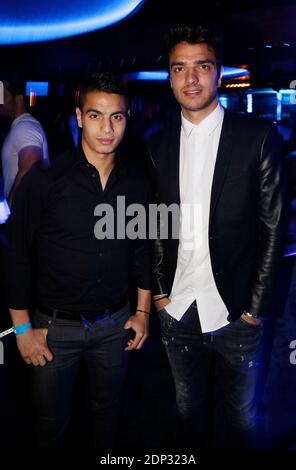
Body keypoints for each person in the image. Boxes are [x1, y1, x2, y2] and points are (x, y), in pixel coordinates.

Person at [147, 24, 285, 449]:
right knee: (188, 415)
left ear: (218, 72)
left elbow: (273, 228)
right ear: (170, 76)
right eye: (179, 68)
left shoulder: (258, 138)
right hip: (178, 307)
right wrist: (158, 293)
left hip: (236, 310)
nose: (190, 79)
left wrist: (255, 308)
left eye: (201, 66)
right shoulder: (156, 144)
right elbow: (153, 223)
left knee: (242, 421)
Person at [6, 72, 151, 449]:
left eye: (116, 117)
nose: (106, 127)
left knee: (108, 418)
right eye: (95, 115)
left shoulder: (136, 182)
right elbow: (16, 253)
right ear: (78, 116)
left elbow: (142, 249)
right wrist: (22, 331)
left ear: (127, 118)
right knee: (50, 427)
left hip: (115, 325)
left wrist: (143, 311)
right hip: (54, 329)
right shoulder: (45, 179)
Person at [0, 80, 49, 206]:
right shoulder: (20, 126)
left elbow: (30, 166)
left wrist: (10, 206)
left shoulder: (25, 125)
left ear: (19, 99)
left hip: (23, 216)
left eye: (3, 96)